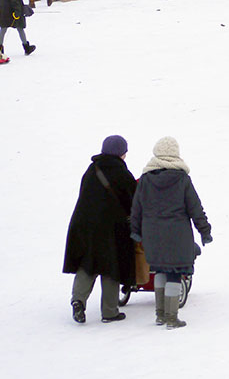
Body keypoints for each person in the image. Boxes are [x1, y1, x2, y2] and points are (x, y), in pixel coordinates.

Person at [130, 137, 213, 329]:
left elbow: (137, 208)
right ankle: (171, 317)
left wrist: (135, 231)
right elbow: (195, 208)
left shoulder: (145, 180)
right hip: (177, 235)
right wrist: (205, 231)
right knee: (175, 273)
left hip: (152, 234)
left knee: (159, 270)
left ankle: (159, 314)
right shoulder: (182, 179)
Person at [62, 135, 137, 324]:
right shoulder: (121, 172)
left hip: (84, 224)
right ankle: (110, 312)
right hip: (112, 228)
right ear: (121, 152)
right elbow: (132, 201)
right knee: (111, 266)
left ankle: (78, 299)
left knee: (88, 263)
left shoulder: (91, 170)